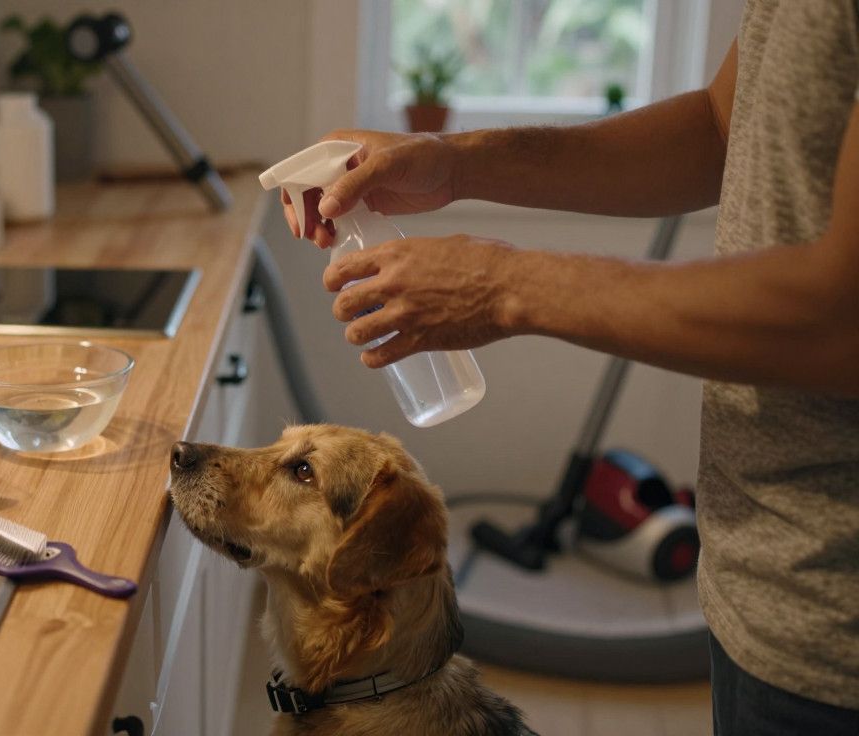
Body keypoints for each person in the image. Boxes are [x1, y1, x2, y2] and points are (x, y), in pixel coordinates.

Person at [281, 2, 859, 735]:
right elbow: (722, 125)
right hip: (760, 575)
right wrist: (454, 162)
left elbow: (843, 319)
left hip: (837, 630)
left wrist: (502, 285)